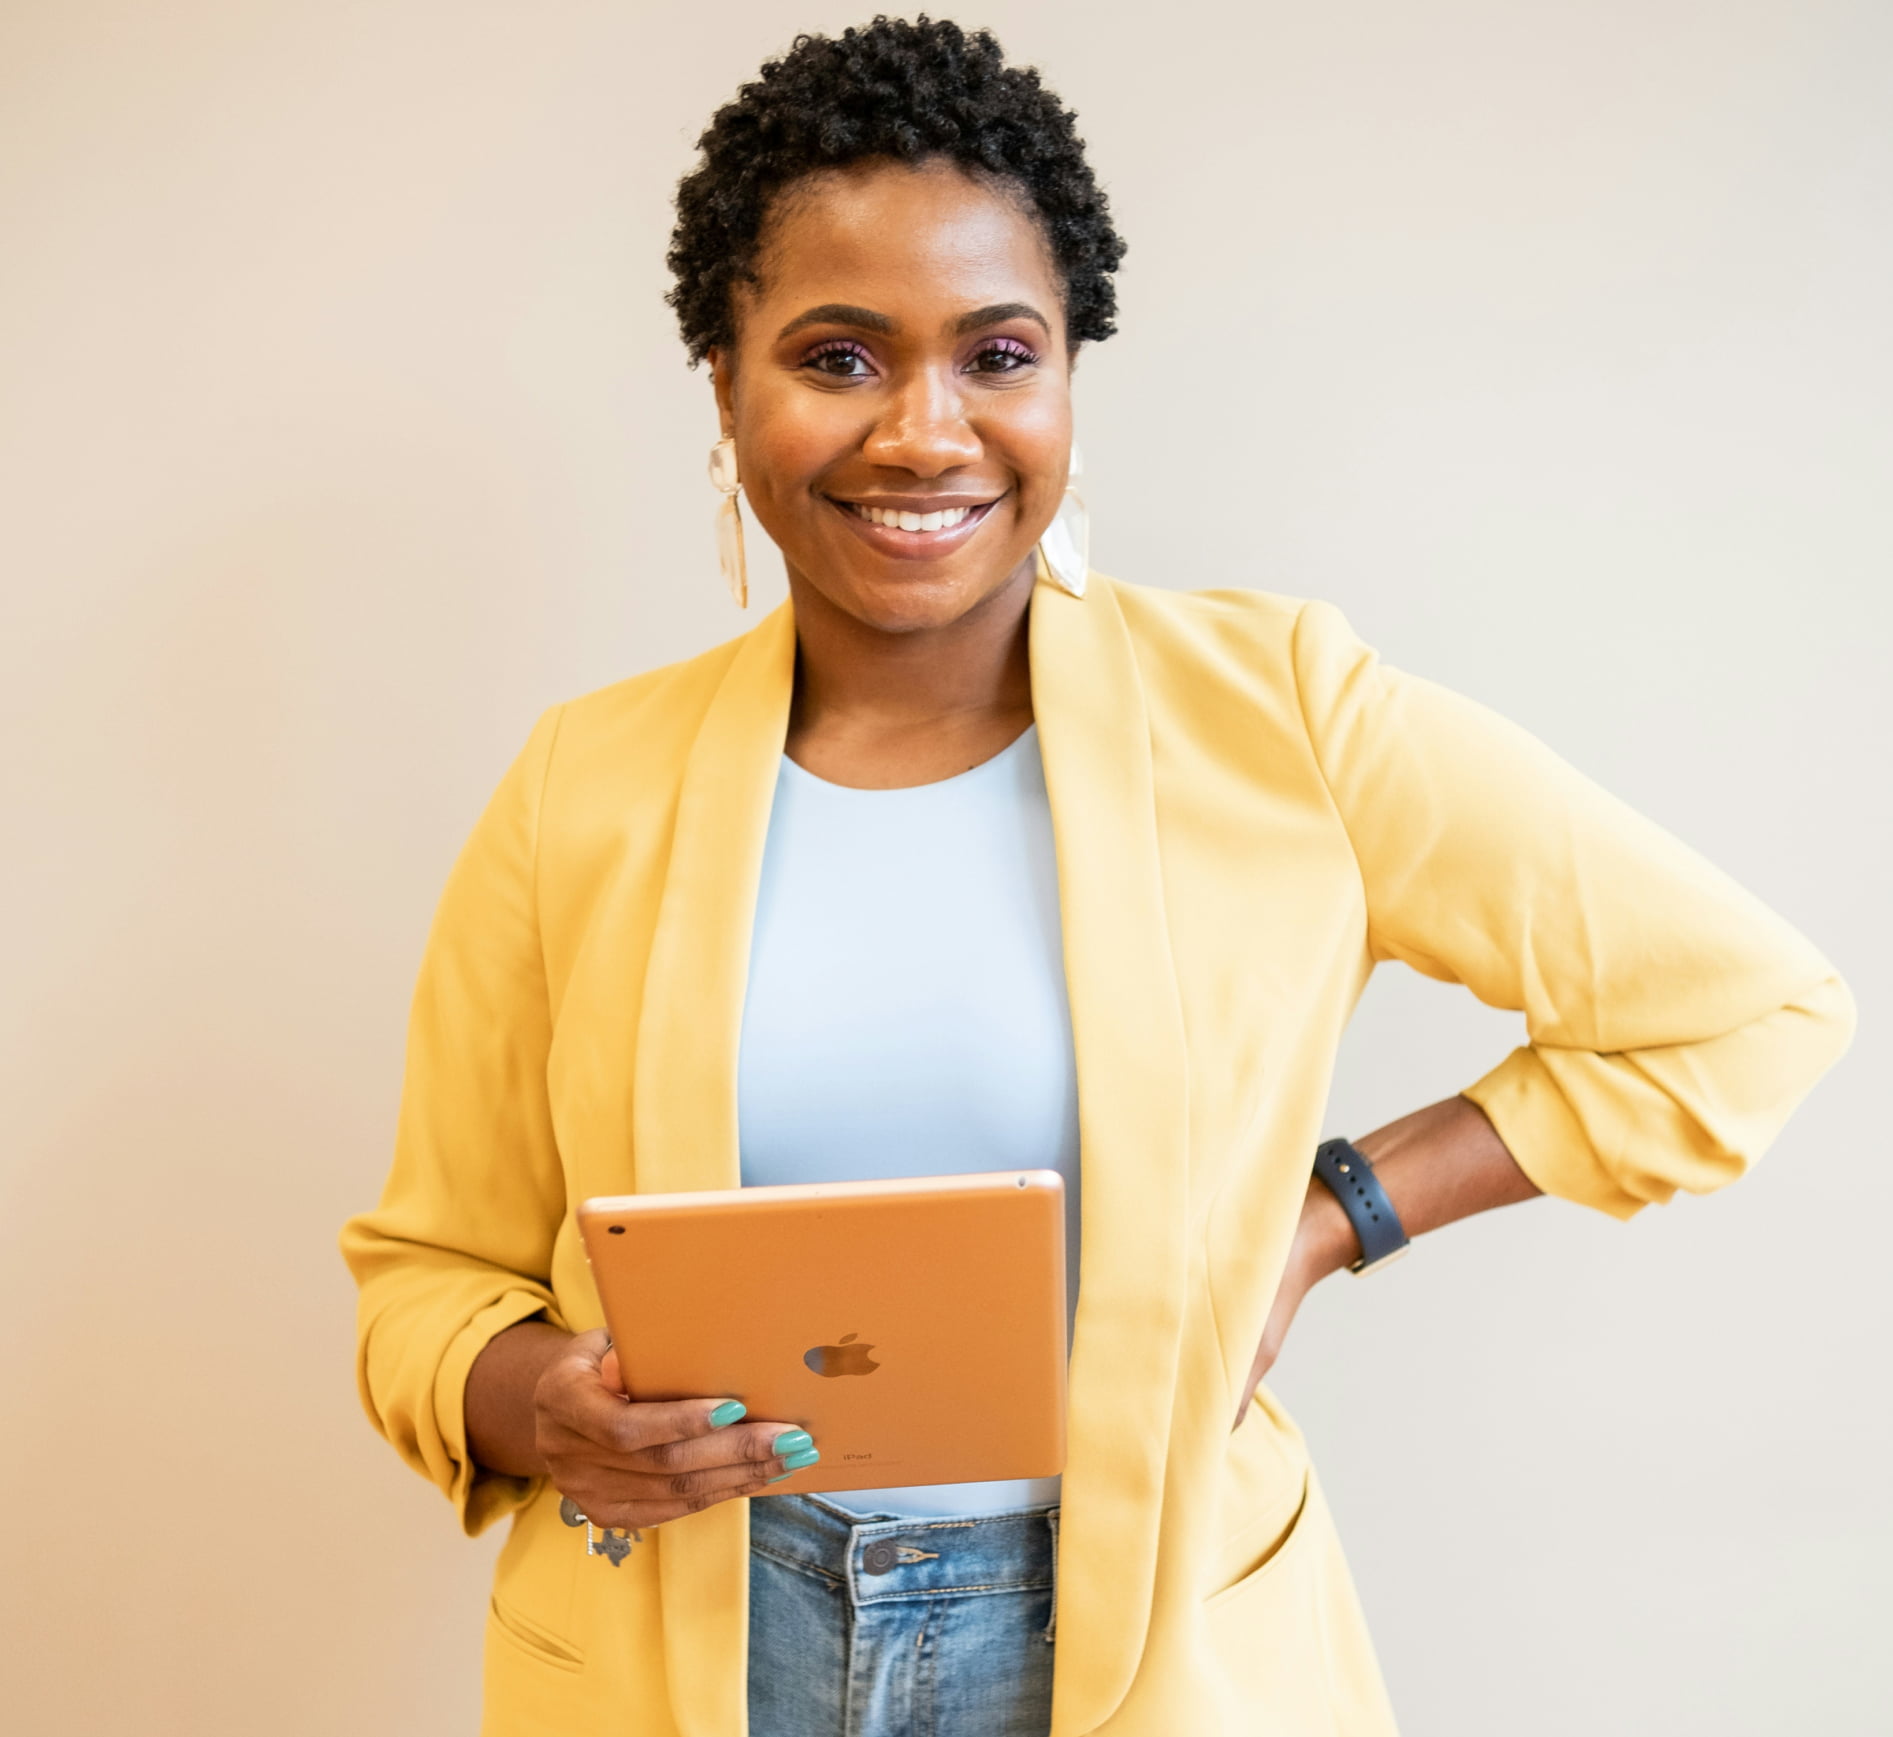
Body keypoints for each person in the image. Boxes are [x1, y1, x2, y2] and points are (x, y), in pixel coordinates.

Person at [339, 17, 1854, 1737]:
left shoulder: (1281, 711)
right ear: (724, 382)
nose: (925, 432)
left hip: (1156, 1641)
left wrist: (1331, 1215)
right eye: (838, 356)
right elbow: (426, 1276)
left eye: (997, 352)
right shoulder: (579, 787)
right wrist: (535, 1398)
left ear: (1066, 378)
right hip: (686, 1646)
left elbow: (1742, 1010)